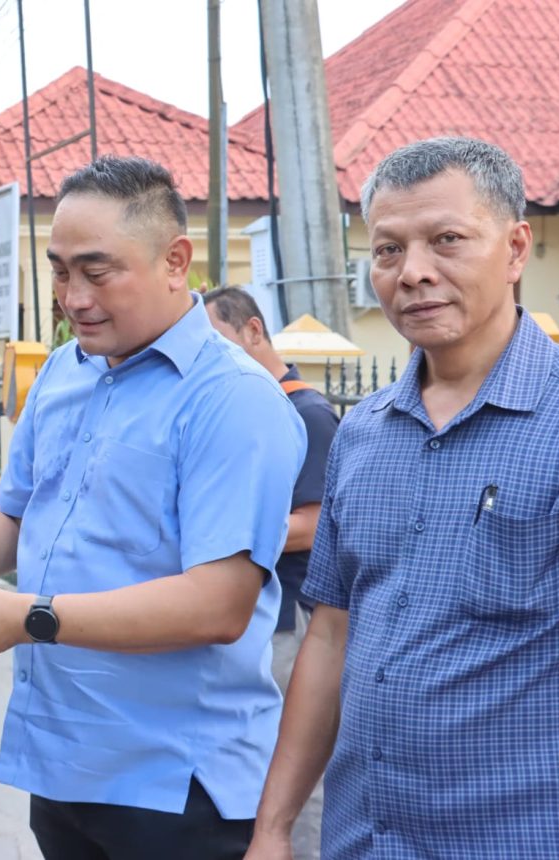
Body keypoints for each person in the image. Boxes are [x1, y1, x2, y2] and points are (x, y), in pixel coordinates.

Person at [0, 155, 305, 859]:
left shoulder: (231, 401)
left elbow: (219, 606)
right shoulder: (66, 371)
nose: (74, 295)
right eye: (60, 271)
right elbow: (17, 521)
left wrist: (28, 619)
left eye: (98, 271)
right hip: (62, 762)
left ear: (175, 261)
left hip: (174, 784)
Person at [247, 136, 559, 859]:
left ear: (514, 250)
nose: (414, 273)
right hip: (365, 840)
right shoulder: (363, 436)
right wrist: (275, 827)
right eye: (388, 250)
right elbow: (328, 636)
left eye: (447, 241)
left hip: (528, 840)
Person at [202, 286, 337, 860]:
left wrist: (224, 530)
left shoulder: (306, 411)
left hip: (292, 618)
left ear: (253, 331)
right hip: (249, 614)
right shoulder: (236, 405)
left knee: (292, 761)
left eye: (218, 341)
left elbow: (315, 522)